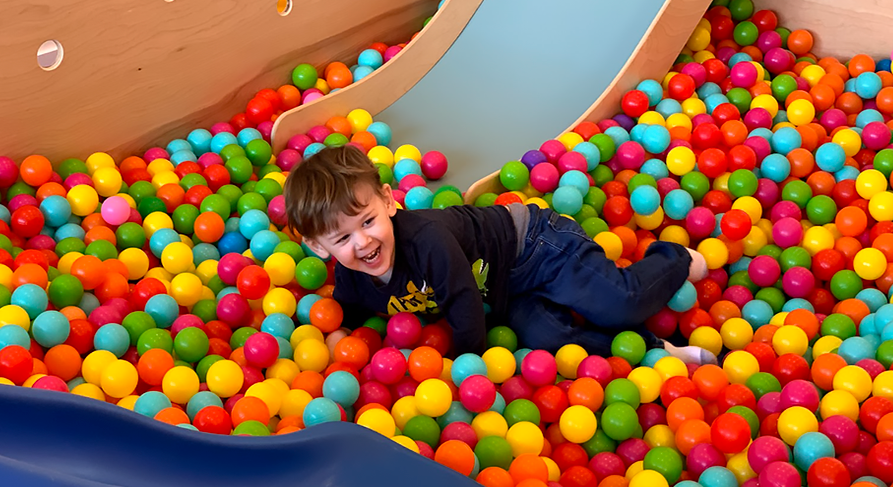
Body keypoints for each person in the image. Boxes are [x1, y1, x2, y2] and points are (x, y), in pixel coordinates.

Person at [283, 145, 716, 364]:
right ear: (318, 247)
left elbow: (465, 305)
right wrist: (338, 343)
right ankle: (652, 349)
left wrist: (462, 367)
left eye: (367, 221)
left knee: (617, 304)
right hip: (504, 296)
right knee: (550, 343)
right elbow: (345, 314)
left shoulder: (426, 240)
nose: (362, 243)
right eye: (341, 240)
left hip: (533, 246)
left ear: (389, 201)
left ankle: (671, 257)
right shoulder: (353, 274)